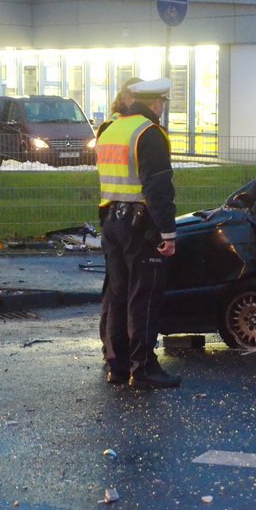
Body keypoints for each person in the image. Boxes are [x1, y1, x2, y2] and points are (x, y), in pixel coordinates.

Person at [97, 77, 181, 388]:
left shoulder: (110, 129)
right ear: (156, 103)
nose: (162, 107)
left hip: (111, 220)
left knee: (117, 297)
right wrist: (168, 234)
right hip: (140, 225)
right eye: (162, 102)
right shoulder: (149, 133)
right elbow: (157, 187)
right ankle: (143, 368)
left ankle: (117, 367)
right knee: (143, 297)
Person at [98, 76, 142, 362]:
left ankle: (113, 350)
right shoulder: (128, 129)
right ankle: (121, 350)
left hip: (108, 212)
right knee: (127, 290)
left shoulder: (107, 128)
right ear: (127, 99)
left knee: (114, 288)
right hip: (129, 216)